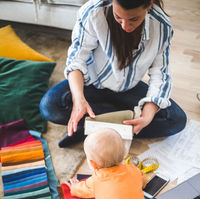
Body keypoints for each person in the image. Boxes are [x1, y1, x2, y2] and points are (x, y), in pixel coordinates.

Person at [40, 0, 187, 147]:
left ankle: (91, 128)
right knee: (49, 107)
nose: (125, 26)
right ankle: (118, 125)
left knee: (176, 120)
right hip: (92, 82)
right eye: (118, 17)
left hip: (129, 87)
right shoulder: (93, 12)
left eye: (133, 19)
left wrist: (147, 116)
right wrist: (79, 100)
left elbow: (161, 74)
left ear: (149, 4)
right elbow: (76, 61)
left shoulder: (162, 26)